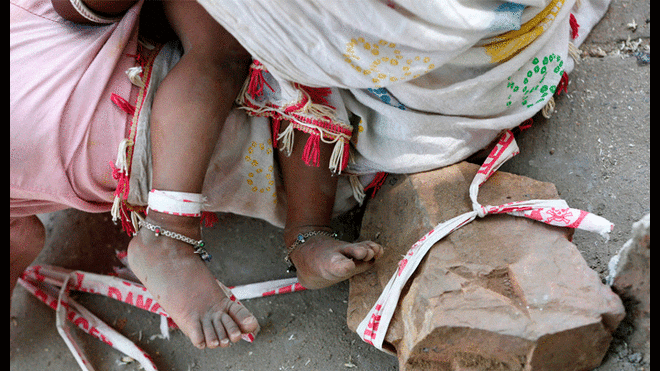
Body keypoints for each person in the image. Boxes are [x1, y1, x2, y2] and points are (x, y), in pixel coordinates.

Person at [10, 0, 383, 352]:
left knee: (255, 44)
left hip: (150, 162)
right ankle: (304, 231)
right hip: (169, 102)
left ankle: (182, 229)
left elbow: (21, 239)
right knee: (261, 41)